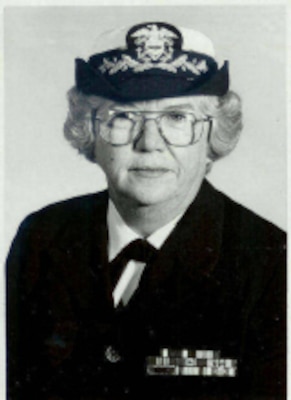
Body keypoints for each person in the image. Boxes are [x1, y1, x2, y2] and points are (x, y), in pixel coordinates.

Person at [7, 21, 286, 400]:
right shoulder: (42, 237)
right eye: (123, 116)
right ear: (88, 131)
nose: (149, 142)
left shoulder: (271, 263)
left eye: (176, 117)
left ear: (212, 135)